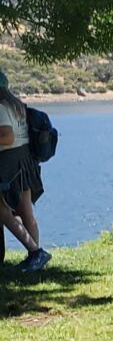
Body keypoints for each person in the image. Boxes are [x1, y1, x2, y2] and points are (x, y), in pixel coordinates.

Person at [0, 70, 48, 273]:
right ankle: (35, 259)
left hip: (8, 162)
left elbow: (7, 137)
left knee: (2, 211)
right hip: (25, 160)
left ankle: (35, 252)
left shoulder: (1, 107)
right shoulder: (16, 105)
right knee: (26, 211)